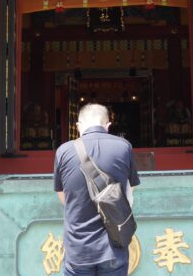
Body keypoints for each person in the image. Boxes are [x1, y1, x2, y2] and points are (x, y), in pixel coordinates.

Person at [54, 103, 141, 276]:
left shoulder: (63, 151)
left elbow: (62, 194)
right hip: (113, 244)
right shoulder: (123, 147)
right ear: (108, 125)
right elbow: (130, 189)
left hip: (78, 247)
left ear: (78, 126)